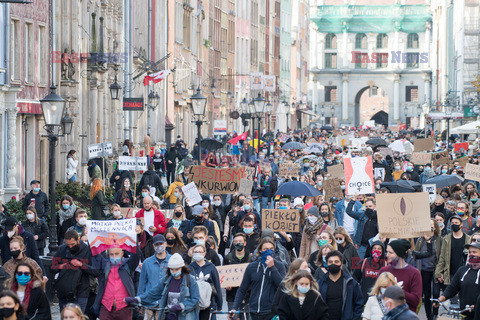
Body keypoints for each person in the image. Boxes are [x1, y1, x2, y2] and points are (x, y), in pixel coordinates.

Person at [125, 253, 200, 320]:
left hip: (184, 317)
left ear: (182, 268)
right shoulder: (166, 280)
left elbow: (195, 299)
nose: (174, 272)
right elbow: (153, 294)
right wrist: (137, 299)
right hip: (168, 317)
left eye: (177, 269)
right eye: (172, 269)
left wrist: (181, 306)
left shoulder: (190, 280)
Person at [230, 237, 286, 320]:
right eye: (266, 249)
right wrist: (234, 308)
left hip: (271, 312)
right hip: (254, 311)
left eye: (271, 249)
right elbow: (242, 289)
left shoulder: (279, 266)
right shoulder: (252, 267)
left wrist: (272, 268)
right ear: (260, 250)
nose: (269, 251)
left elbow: (282, 287)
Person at [51, 230, 95, 312]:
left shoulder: (87, 250)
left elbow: (95, 271)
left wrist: (81, 265)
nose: (70, 247)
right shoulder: (62, 249)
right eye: (68, 245)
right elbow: (52, 267)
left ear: (78, 240)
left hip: (81, 292)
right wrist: (61, 266)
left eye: (72, 244)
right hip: (64, 291)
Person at [435, 241, 480, 320]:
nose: (471, 254)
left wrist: (477, 306)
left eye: (474, 252)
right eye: (469, 252)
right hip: (464, 313)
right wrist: (440, 299)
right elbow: (452, 288)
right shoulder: (462, 270)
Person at [91, 247, 139, 319]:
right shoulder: (104, 265)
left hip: (124, 308)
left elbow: (136, 255)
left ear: (122, 253)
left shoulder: (128, 265)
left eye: (116, 254)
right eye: (111, 254)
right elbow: (94, 252)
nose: (114, 257)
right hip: (106, 307)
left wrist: (135, 239)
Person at [317, 250, 363, 320]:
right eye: (330, 262)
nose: (333, 264)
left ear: (341, 265)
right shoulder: (320, 283)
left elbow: (359, 304)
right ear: (326, 264)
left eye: (336, 262)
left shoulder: (351, 283)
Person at [379, 239, 422, 312]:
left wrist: (398, 291)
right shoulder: (383, 271)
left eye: (390, 252)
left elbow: (415, 301)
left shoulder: (414, 273)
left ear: (399, 254)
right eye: (387, 251)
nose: (387, 255)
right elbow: (376, 296)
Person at [413, 219, 442, 320]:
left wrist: (441, 271)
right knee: (427, 294)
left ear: (435, 227)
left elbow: (441, 256)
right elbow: (416, 254)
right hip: (424, 270)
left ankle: (435, 314)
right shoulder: (421, 239)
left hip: (435, 270)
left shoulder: (439, 239)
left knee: (436, 293)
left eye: (431, 225)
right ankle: (429, 316)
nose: (430, 227)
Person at [137, 235, 171, 320]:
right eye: (157, 244)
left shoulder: (172, 260)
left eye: (161, 244)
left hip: (166, 303)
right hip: (149, 303)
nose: (159, 246)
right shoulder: (147, 263)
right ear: (153, 246)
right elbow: (142, 284)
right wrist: (139, 301)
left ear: (166, 244)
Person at [435, 215, 471, 288]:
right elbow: (442, 257)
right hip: (450, 272)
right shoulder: (446, 239)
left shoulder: (468, 239)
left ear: (461, 224)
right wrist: (438, 272)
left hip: (464, 273)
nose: (454, 224)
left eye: (456, 223)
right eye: (452, 223)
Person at [188, 244, 222, 320]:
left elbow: (217, 285)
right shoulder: (190, 267)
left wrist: (219, 303)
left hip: (208, 302)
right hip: (194, 302)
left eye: (200, 252)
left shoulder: (211, 267)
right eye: (195, 252)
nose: (197, 253)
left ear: (204, 253)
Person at [224, 233, 253, 319]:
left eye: (240, 241)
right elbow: (224, 275)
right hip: (232, 296)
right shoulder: (228, 258)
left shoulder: (251, 258)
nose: (238, 243)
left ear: (245, 243)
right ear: (233, 243)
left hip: (248, 296)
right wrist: (226, 285)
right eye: (235, 241)